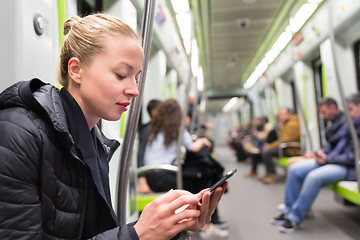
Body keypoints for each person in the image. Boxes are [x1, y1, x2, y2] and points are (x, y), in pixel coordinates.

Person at [0, 13, 227, 240]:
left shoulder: (93, 140)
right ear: (76, 70)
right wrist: (138, 234)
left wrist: (167, 226)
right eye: (121, 75)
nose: (134, 90)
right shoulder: (17, 134)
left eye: (136, 78)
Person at [271, 93, 360, 233]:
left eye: (351, 109)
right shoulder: (351, 124)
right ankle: (288, 211)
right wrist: (320, 154)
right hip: (333, 160)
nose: (348, 113)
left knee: (314, 177)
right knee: (295, 169)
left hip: (348, 167)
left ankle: (294, 217)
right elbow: (334, 145)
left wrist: (328, 159)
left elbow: (353, 157)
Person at [143, 98, 229, 239]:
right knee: (197, 182)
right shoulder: (177, 128)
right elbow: (192, 147)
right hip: (165, 174)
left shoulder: (153, 128)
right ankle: (204, 228)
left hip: (151, 175)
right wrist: (201, 140)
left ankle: (199, 225)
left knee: (193, 177)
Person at [286, 97, 346, 166]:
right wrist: (317, 153)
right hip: (329, 157)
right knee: (291, 163)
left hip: (334, 159)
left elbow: (335, 145)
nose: (322, 117)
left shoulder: (344, 123)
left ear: (333, 108)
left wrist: (320, 155)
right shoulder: (334, 124)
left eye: (324, 112)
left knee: (295, 168)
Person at [259, 107, 301, 183]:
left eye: (282, 114)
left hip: (291, 150)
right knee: (266, 151)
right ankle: (269, 173)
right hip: (286, 148)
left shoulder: (292, 125)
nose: (280, 116)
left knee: (267, 152)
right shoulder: (286, 123)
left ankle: (272, 175)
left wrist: (270, 146)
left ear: (289, 114)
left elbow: (284, 140)